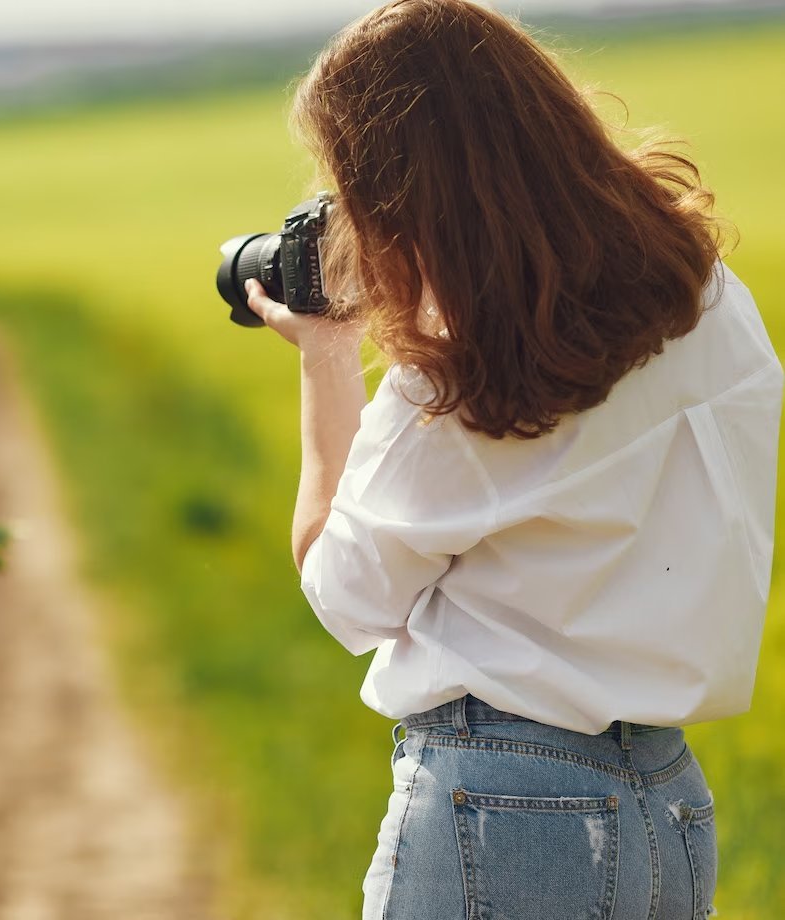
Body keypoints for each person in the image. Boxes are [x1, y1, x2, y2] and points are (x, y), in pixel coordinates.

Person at [244, 2, 781, 918]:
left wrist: (328, 357)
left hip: (499, 806)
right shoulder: (709, 299)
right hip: (670, 802)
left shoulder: (469, 385)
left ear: (400, 197)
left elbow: (344, 593)